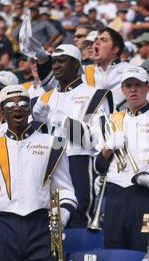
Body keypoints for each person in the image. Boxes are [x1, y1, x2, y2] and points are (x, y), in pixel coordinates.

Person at [0, 84, 77, 261]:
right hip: (3, 227)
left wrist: (63, 213)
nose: (17, 108)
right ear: (2, 111)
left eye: (23, 104)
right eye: (10, 106)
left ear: (29, 110)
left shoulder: (53, 145)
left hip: (42, 225)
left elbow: (66, 190)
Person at [94, 66, 149, 251]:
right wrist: (106, 150)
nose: (133, 90)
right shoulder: (109, 121)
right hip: (115, 196)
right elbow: (99, 167)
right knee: (113, 251)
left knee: (144, 252)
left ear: (147, 88)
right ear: (122, 89)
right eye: (128, 85)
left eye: (138, 85)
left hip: (146, 196)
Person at [30, 44, 112, 228]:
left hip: (79, 163)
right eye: (54, 62)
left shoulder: (96, 95)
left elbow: (96, 140)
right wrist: (41, 125)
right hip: (46, 163)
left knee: (78, 220)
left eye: (62, 61)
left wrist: (61, 121)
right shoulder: (44, 98)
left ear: (76, 64)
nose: (56, 65)